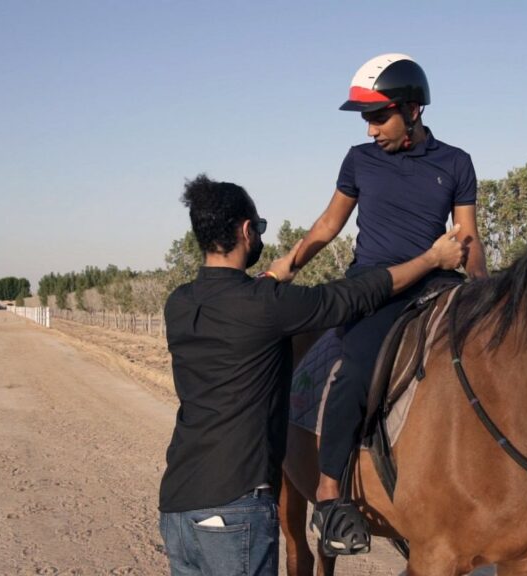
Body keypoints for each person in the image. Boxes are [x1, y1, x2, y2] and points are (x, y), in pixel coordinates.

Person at [158, 174, 466, 576]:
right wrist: (431, 260)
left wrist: (271, 279)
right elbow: (353, 296)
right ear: (246, 230)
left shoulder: (179, 304)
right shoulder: (266, 307)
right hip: (234, 509)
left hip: (178, 508)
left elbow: (239, 301)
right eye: (260, 228)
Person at [289, 53, 488, 556]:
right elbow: (329, 224)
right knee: (354, 369)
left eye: (379, 116)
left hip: (437, 284)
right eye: (365, 119)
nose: (371, 128)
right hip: (374, 289)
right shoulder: (360, 160)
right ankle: (331, 496)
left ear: (413, 109)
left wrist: (487, 296)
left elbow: (468, 238)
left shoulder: (456, 162)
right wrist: (286, 266)